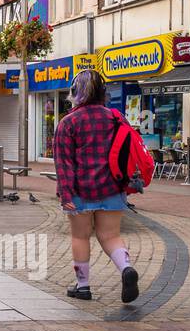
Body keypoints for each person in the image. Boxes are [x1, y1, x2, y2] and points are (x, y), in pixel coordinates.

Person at [52, 70, 140, 304]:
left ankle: (83, 286)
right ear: (103, 92)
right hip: (112, 188)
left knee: (80, 237)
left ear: (74, 92)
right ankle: (126, 268)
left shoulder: (68, 122)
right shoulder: (115, 118)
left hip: (80, 191)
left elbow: (64, 163)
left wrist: (65, 194)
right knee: (110, 236)